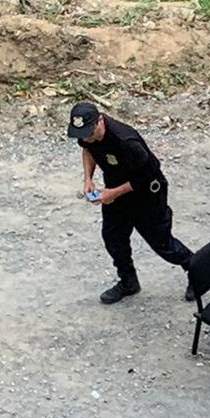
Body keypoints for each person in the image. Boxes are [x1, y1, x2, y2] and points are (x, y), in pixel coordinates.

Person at [68, 100, 194, 304]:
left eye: (89, 134)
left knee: (162, 243)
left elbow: (149, 173)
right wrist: (88, 178)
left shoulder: (125, 140)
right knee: (113, 238)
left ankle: (196, 269)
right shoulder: (87, 137)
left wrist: (113, 193)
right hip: (115, 191)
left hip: (146, 193)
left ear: (100, 121)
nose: (86, 139)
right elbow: (87, 150)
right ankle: (128, 282)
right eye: (81, 135)